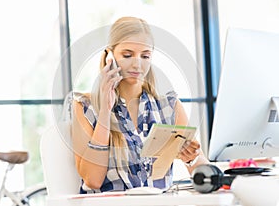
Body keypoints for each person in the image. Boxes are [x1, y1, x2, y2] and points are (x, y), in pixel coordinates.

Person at [71, 16, 209, 194]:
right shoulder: (85, 107)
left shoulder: (169, 107)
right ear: (110, 57)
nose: (137, 64)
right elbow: (92, 180)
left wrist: (192, 159)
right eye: (127, 55)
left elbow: (205, 173)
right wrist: (105, 111)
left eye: (145, 56)